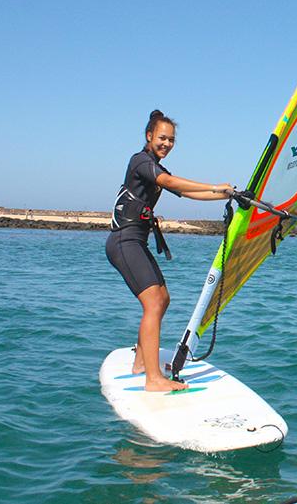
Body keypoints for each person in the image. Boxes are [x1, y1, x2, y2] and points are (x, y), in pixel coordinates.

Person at [106, 110, 234, 392]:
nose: (167, 143)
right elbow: (172, 184)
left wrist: (224, 194)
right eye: (162, 138)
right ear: (149, 136)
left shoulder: (156, 167)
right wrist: (215, 186)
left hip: (135, 242)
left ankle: (142, 363)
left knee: (162, 299)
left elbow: (186, 192)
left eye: (172, 140)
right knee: (153, 303)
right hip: (124, 241)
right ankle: (153, 380)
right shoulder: (141, 161)